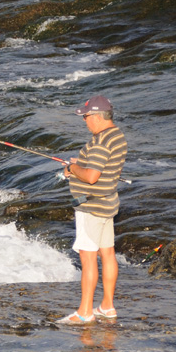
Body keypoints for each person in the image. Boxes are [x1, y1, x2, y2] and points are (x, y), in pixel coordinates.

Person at [57, 95, 128, 325]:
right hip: (108, 203)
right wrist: (82, 162)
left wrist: (72, 168)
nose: (85, 121)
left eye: (86, 117)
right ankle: (107, 306)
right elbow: (102, 166)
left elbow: (91, 176)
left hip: (92, 207)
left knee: (88, 259)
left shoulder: (99, 142)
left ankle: (85, 312)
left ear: (97, 117)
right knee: (107, 253)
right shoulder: (117, 136)